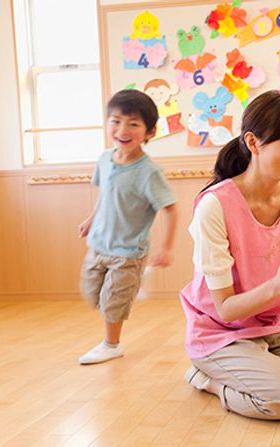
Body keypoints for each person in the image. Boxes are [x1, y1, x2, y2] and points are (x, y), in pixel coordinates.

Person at [180, 90, 280, 420]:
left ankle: (262, 361)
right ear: (253, 143)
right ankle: (208, 378)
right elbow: (224, 309)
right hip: (220, 330)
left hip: (274, 324)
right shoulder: (215, 205)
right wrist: (278, 285)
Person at [77, 89, 178, 365]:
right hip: (98, 243)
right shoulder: (104, 159)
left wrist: (167, 248)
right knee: (90, 293)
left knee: (112, 302)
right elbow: (106, 195)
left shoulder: (149, 173)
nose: (122, 129)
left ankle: (112, 344)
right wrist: (91, 218)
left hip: (129, 251)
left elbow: (170, 208)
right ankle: (125, 294)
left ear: (149, 132)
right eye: (116, 120)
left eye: (133, 124)